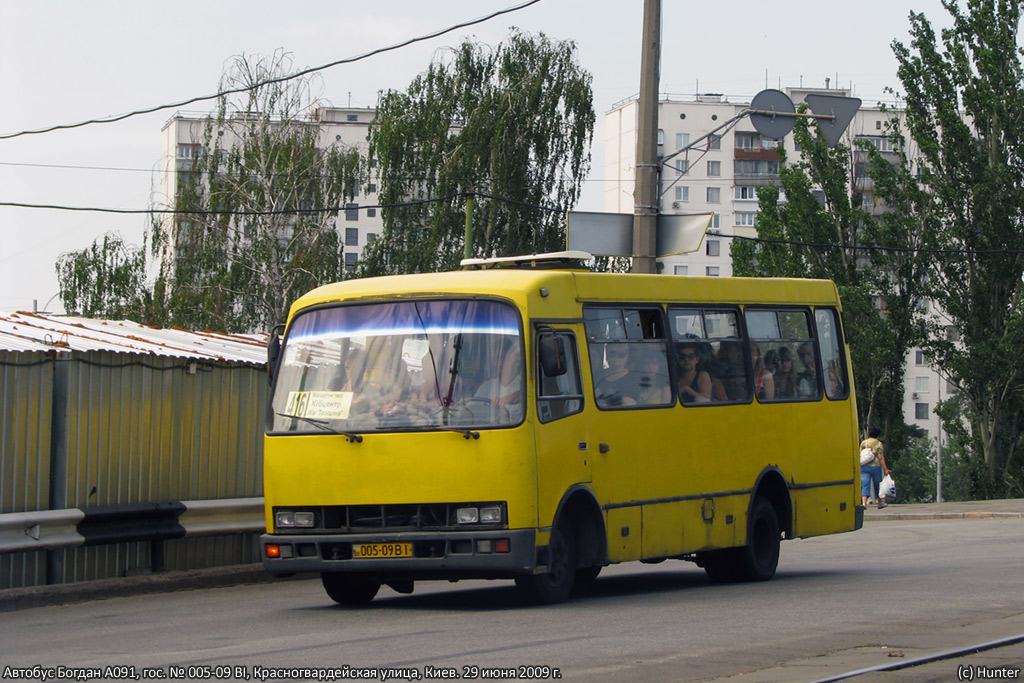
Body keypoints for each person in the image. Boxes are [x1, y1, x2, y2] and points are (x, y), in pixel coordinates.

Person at [859, 426, 890, 509]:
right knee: (878, 484)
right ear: (877, 435)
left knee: (865, 484)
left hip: (864, 466)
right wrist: (885, 469)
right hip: (875, 467)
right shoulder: (878, 443)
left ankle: (864, 503)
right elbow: (880, 457)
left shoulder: (863, 443)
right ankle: (880, 503)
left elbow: (861, 454)